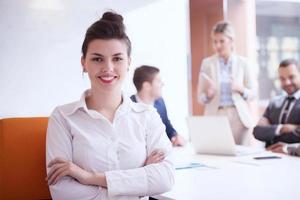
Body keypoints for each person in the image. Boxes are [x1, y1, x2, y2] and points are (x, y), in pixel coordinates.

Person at [46, 11, 174, 200]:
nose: (108, 68)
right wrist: (139, 177)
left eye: (117, 58)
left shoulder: (147, 115)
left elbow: (165, 178)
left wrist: (89, 177)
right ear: (83, 62)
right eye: (98, 59)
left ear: (128, 62)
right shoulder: (63, 117)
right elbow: (62, 192)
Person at [197, 21, 256, 145]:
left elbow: (253, 94)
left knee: (241, 158)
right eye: (215, 41)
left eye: (221, 41)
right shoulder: (207, 64)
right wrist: (208, 95)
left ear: (231, 41)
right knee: (218, 157)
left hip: (238, 116)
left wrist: (240, 89)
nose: (217, 45)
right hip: (215, 115)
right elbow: (200, 98)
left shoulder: (243, 63)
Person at [131, 65, 185, 146]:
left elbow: (166, 126)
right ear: (147, 86)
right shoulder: (128, 105)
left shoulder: (160, 103)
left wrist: (175, 136)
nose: (163, 84)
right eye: (159, 81)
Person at [253, 59, 300, 148]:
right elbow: (257, 132)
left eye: (291, 77)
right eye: (282, 79)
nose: (287, 82)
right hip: (269, 157)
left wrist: (270, 132)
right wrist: (281, 128)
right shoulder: (274, 103)